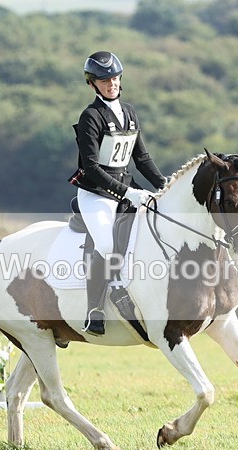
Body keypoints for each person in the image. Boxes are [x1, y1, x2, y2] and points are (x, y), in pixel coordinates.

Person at [70, 50, 166, 336]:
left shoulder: (130, 112)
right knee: (106, 246)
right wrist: (128, 193)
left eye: (114, 77)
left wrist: (164, 185)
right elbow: (91, 167)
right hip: (97, 193)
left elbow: (142, 158)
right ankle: (94, 310)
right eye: (103, 80)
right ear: (92, 84)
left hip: (126, 188)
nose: (111, 83)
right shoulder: (91, 117)